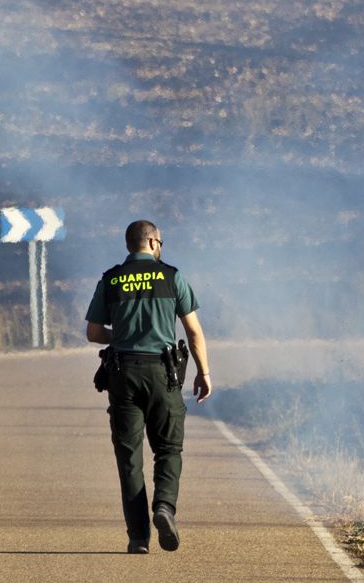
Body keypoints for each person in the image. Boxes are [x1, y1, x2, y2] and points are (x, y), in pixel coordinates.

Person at [85, 219, 212, 555]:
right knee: (168, 448)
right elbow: (194, 331)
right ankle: (164, 508)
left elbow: (94, 332)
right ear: (154, 243)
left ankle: (138, 537)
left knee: (129, 458)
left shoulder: (111, 279)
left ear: (130, 245)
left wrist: (124, 338)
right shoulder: (171, 276)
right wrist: (204, 373)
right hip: (162, 373)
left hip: (122, 373)